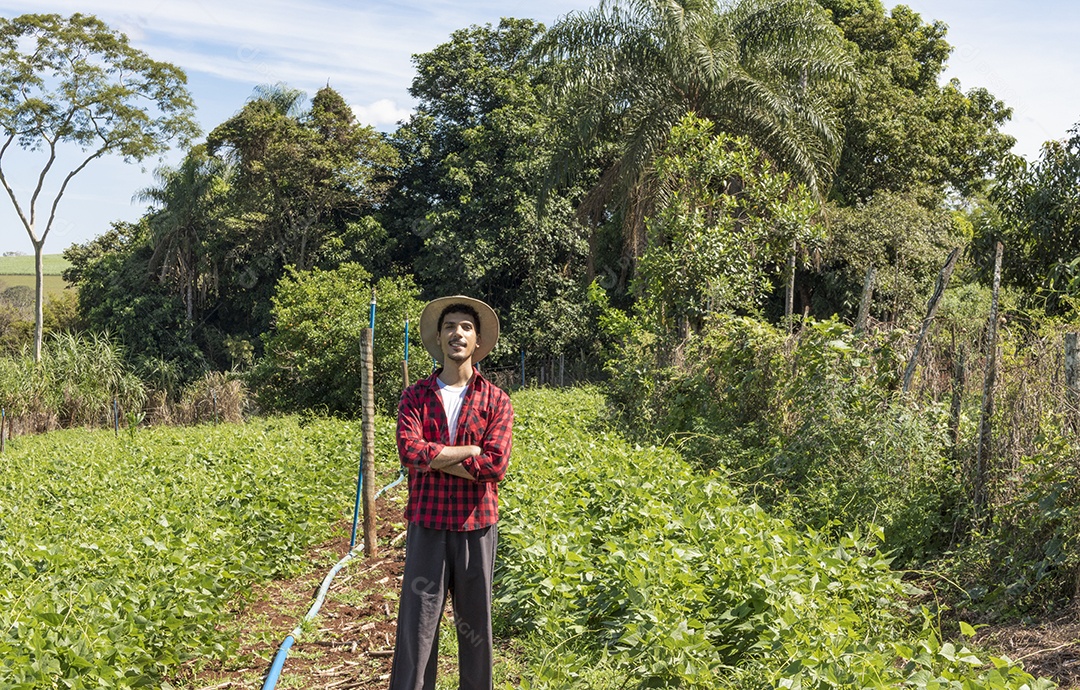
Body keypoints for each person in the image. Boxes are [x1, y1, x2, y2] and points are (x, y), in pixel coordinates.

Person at [389, 295, 513, 690]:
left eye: (465, 327)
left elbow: (495, 465)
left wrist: (435, 458)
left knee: (476, 626)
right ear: (439, 339)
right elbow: (409, 452)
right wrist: (469, 452)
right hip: (427, 524)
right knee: (417, 625)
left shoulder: (496, 399)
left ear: (477, 341)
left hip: (476, 526)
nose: (457, 333)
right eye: (449, 327)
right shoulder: (415, 396)